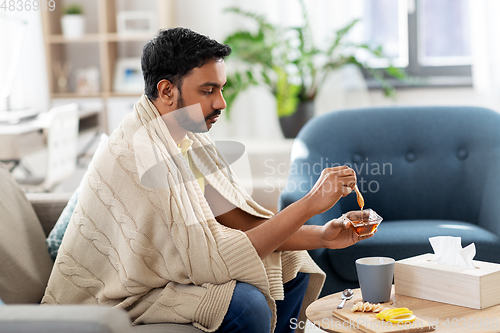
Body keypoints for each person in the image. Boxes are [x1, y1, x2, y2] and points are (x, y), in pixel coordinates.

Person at [42, 28, 373, 333]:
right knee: (247, 305)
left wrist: (323, 235)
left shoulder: (185, 133)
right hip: (122, 293)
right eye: (208, 90)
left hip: (165, 275)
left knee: (292, 265)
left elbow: (240, 223)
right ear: (167, 90)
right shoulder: (143, 152)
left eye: (221, 88)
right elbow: (215, 260)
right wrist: (311, 202)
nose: (221, 103)